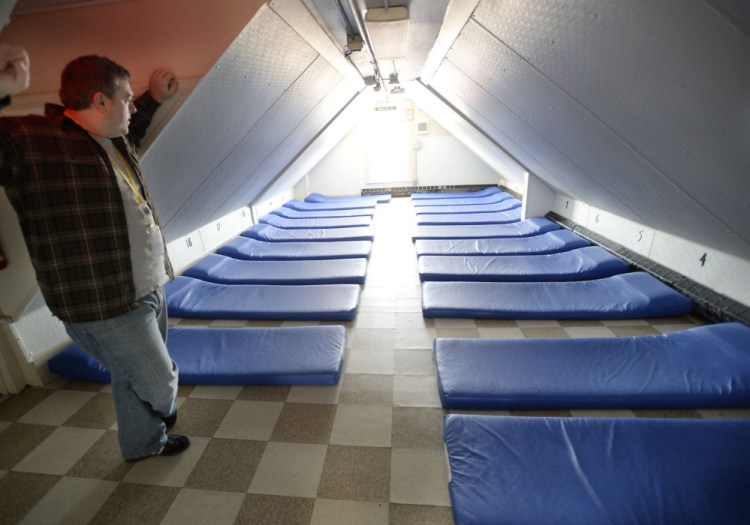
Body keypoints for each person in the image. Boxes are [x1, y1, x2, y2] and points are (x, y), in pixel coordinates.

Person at [0, 45, 189, 462]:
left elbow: (132, 126)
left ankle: (145, 444)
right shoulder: (36, 143)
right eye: (125, 97)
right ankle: (163, 409)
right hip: (103, 301)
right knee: (159, 383)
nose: (129, 105)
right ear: (100, 101)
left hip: (148, 283)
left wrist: (153, 98)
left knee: (132, 373)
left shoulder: (112, 138)